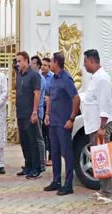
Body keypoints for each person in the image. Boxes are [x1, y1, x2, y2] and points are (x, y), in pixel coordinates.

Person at [43, 52, 80, 196]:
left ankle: (68, 184)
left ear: (56, 62)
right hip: (53, 122)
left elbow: (76, 99)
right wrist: (47, 114)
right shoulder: (53, 79)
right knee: (55, 152)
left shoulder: (66, 79)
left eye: (51, 61)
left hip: (63, 123)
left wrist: (71, 119)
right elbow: (50, 98)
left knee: (67, 153)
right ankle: (56, 181)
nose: (50, 64)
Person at [82, 49, 112, 204]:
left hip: (100, 126)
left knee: (104, 157)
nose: (84, 65)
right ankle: (102, 189)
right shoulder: (95, 78)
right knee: (99, 159)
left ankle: (107, 192)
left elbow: (105, 105)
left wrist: (102, 127)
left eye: (85, 61)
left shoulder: (102, 78)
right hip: (94, 126)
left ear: (92, 61)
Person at [15, 51, 42, 179]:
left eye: (20, 61)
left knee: (32, 142)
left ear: (26, 60)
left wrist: (34, 112)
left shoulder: (34, 75)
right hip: (20, 113)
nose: (18, 63)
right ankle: (28, 166)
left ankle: (36, 168)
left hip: (30, 114)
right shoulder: (19, 75)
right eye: (17, 61)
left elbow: (37, 94)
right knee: (24, 142)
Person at [31, 55, 46, 172]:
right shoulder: (34, 77)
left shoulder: (40, 79)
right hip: (33, 111)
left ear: (38, 66)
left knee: (39, 138)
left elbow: (37, 95)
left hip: (37, 112)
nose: (31, 65)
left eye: (33, 63)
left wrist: (35, 112)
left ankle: (41, 163)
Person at [41, 57, 54, 166]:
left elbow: (54, 92)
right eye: (42, 64)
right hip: (41, 108)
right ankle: (43, 157)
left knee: (50, 134)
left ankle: (51, 157)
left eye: (45, 65)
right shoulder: (39, 77)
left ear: (50, 67)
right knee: (42, 134)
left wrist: (49, 98)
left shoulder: (53, 78)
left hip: (50, 109)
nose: (43, 67)